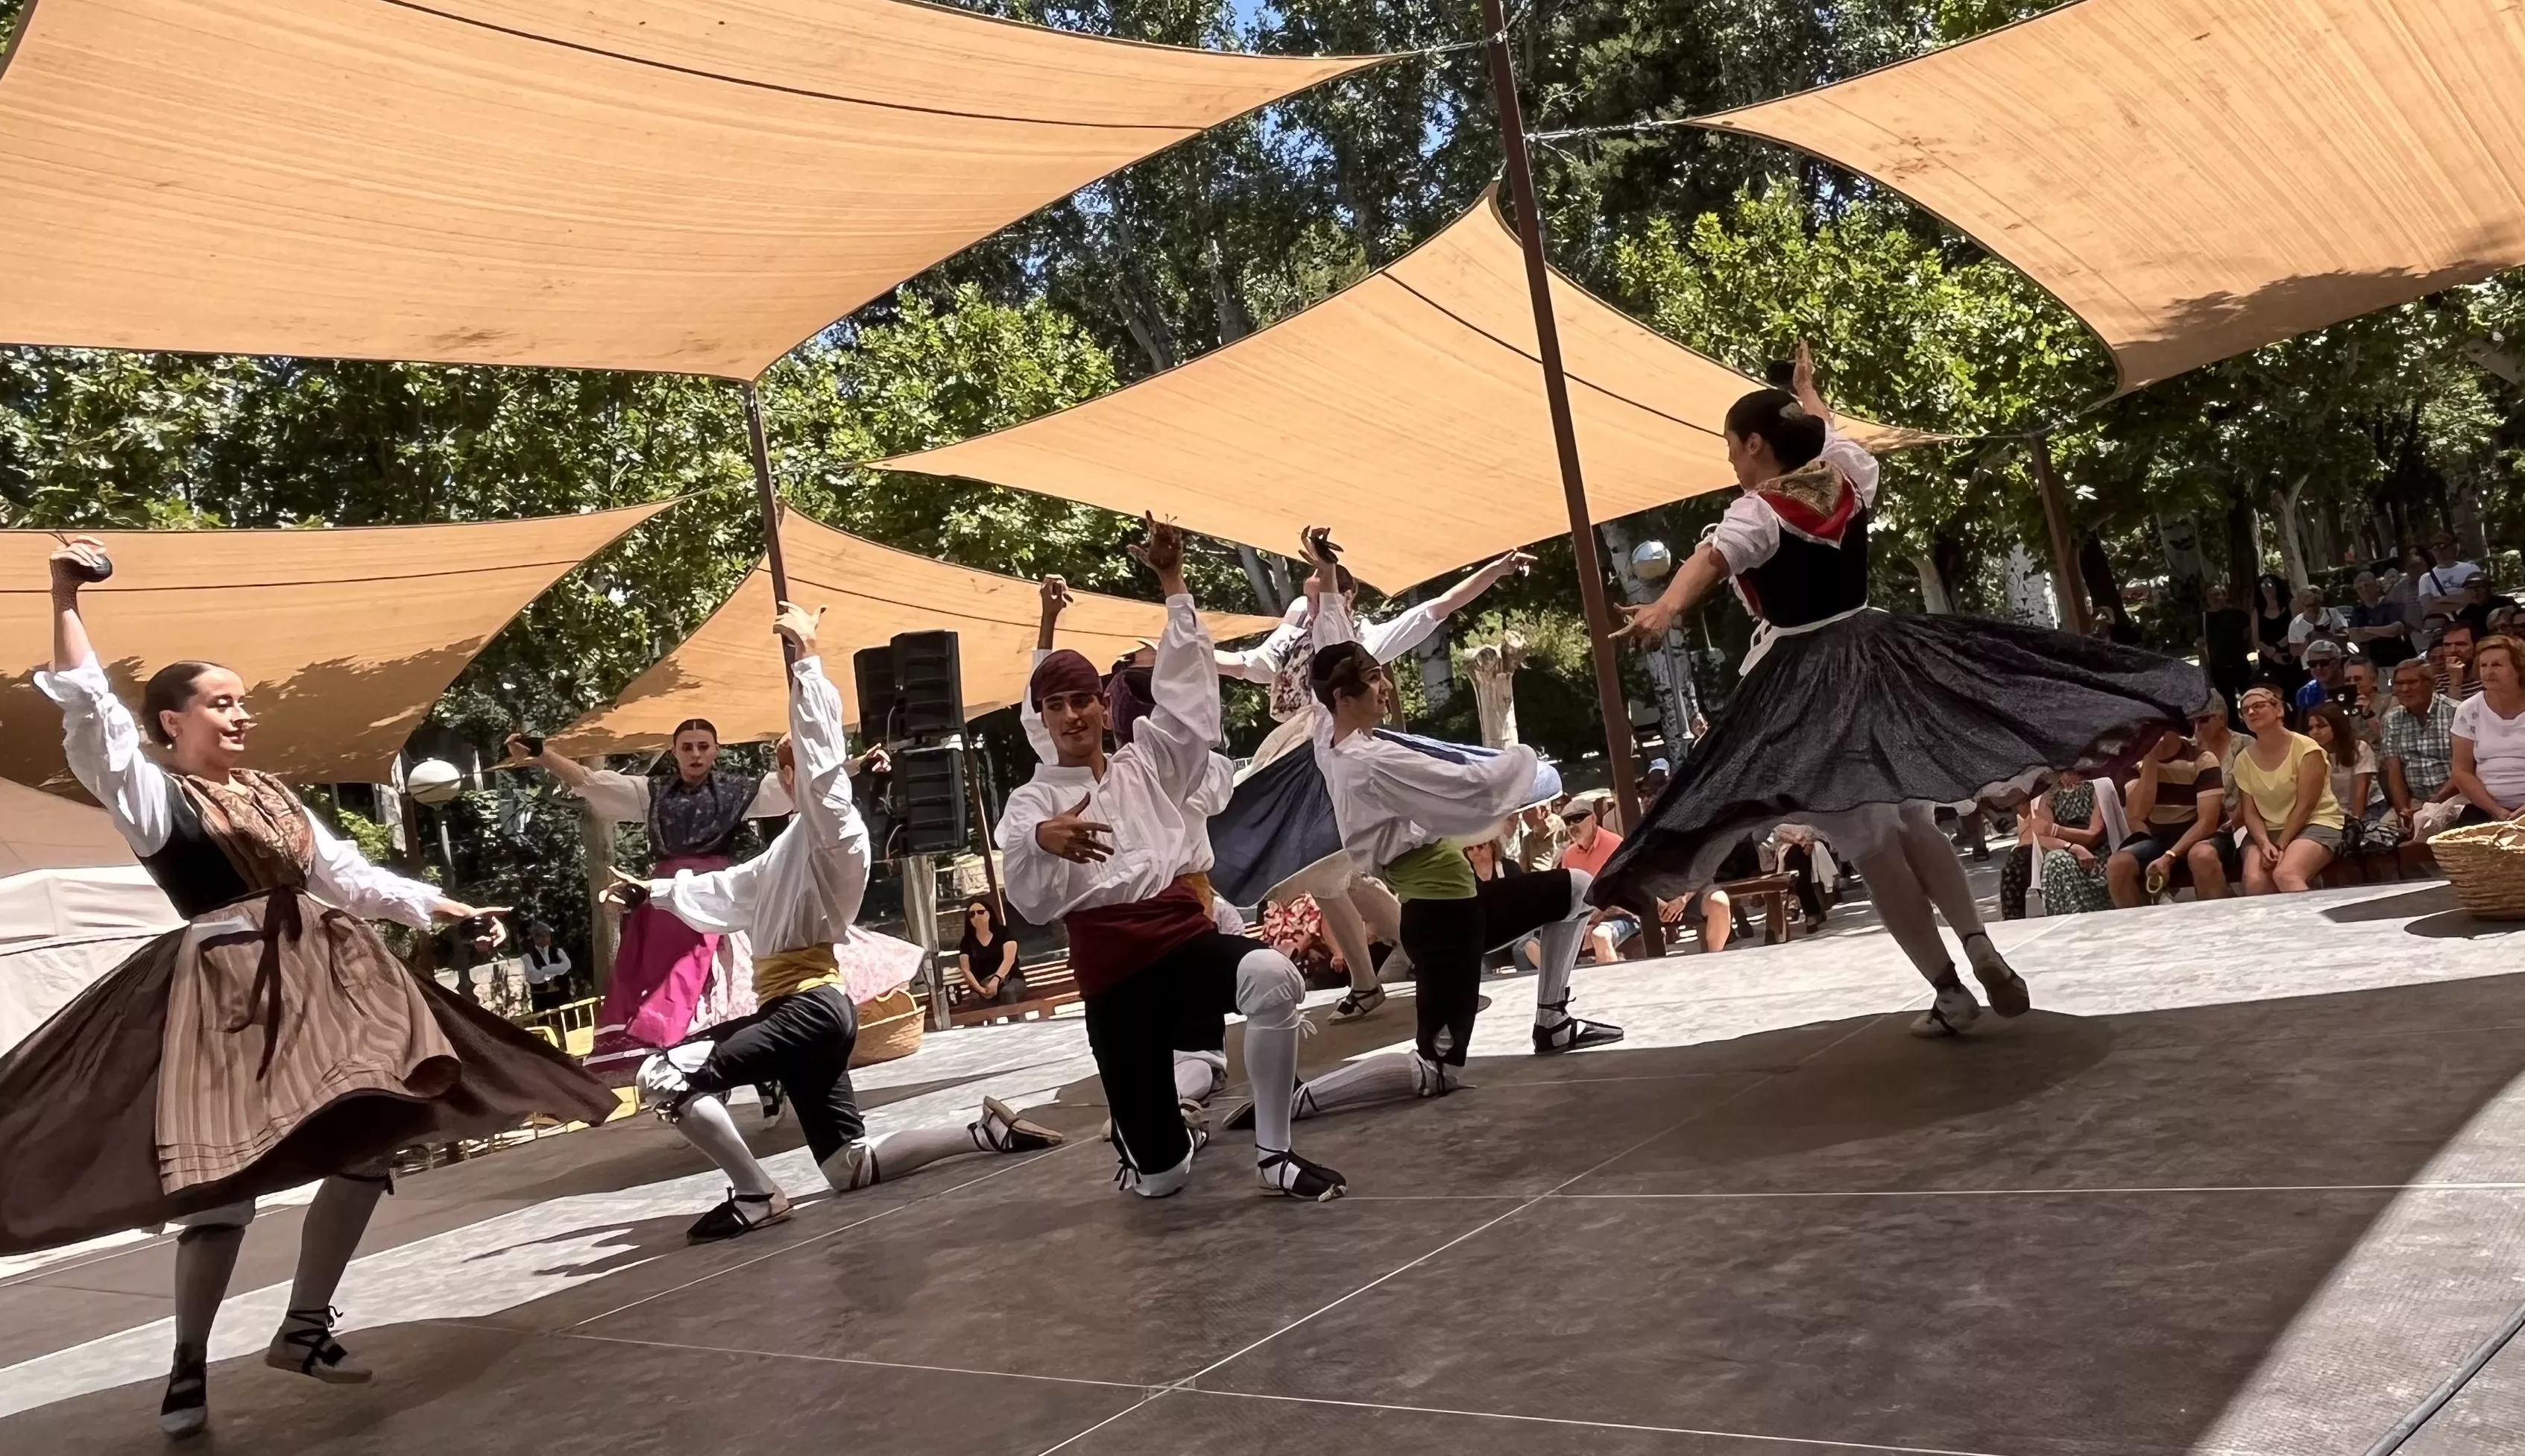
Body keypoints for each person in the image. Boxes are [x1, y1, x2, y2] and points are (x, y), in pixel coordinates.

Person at [0, 538, 615, 1440]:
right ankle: (187, 1362)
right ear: (171, 721)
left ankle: (303, 1325)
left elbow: (348, 879)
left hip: (324, 980)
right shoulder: (152, 796)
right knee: (224, 1191)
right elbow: (92, 716)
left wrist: (442, 905)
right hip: (227, 997)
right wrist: (65, 598)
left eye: (241, 701)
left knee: (375, 1131)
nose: (240, 714)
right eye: (221, 702)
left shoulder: (276, 796)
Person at [1603, 344, 2202, 1036]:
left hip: (1808, 682)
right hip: (1880, 658)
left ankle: (1949, 991)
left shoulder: (1755, 513)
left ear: (1757, 444)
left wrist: (1664, 607)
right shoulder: (1847, 474)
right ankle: (1979, 944)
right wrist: (1808, 390)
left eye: (1732, 446)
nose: (1731, 459)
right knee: (1912, 820)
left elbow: (1710, 560)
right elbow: (1829, 432)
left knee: (1870, 843)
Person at [616, 601, 1061, 1241]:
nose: (797, 772)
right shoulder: (787, 847)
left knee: (663, 1075)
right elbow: (726, 889)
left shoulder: (836, 830)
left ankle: (756, 1194)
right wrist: (651, 895)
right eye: (787, 765)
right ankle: (980, 1131)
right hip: (807, 1012)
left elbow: (824, 769)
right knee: (848, 1165)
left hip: (807, 1007)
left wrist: (808, 660)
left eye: (799, 762)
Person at [1000, 514, 1345, 1201]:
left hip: (1180, 940)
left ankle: (1274, 1153)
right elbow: (1028, 895)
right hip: (1114, 977)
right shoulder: (1031, 802)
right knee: (1161, 1179)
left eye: (1082, 700)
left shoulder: (1148, 762)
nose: (1071, 714)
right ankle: (1160, 1145)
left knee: (1273, 976)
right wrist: (1041, 839)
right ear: (1042, 717)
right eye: (1055, 705)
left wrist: (1172, 581)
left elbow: (1188, 706)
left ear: (1103, 704)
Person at [1299, 529, 1621, 1071]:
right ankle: (1301, 1099)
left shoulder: (1328, 733)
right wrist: (1525, 763)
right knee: (1437, 1067)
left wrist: (1328, 582)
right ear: (1343, 697)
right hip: (1442, 919)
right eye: (1375, 679)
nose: (1386, 686)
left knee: (1576, 888)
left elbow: (1329, 650)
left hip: (1459, 904)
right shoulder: (1370, 759)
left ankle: (1553, 1021)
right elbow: (1474, 790)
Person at [1209, 546, 1536, 1024]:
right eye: (1310, 592)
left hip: (1335, 771)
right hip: (1308, 761)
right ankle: (1383, 974)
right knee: (1330, 881)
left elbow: (1437, 608)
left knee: (1349, 874)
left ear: (1347, 596)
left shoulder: (1361, 644)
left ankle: (1429, 957)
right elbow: (1247, 663)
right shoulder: (1301, 637)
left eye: (1322, 591)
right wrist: (1183, 649)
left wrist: (1496, 569)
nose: (1312, 600)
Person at [508, 719, 799, 1084]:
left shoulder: (739, 791)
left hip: (717, 895)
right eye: (687, 747)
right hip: (663, 904)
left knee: (725, 982)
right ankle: (685, 1071)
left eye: (703, 746)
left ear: (716, 751)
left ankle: (753, 1069)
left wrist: (856, 767)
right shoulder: (654, 792)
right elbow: (590, 781)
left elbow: (797, 784)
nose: (696, 754)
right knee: (663, 986)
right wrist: (542, 754)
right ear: (674, 751)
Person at [2231, 684, 2345, 894]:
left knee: (2286, 874)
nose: (2251, 712)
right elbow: (2250, 812)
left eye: (2259, 706)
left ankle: (2315, 916)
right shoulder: (2243, 759)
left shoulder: (2306, 748)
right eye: (2245, 710)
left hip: (2314, 822)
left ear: (2279, 710)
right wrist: (2264, 844)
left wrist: (2281, 844)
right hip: (2267, 830)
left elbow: (2306, 805)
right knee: (2255, 881)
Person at [2106, 731, 2234, 906]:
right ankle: (2140, 921)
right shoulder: (2133, 764)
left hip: (2200, 836)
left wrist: (2170, 856)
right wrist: (2150, 761)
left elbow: (2207, 823)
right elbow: (2137, 814)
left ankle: (2217, 916)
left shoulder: (2201, 759)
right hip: (2160, 837)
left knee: (2202, 856)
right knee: (2118, 865)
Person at [2381, 658, 2466, 839]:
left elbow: (2465, 770)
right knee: (2379, 837)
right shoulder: (2391, 720)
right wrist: (2404, 810)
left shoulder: (2456, 712)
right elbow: (2394, 773)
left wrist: (2430, 807)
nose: (2405, 689)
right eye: (2399, 684)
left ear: (2431, 684)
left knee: (2429, 830)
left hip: (2456, 796)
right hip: (2415, 801)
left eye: (2412, 682)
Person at [2450, 634, 2525, 823]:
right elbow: (2461, 771)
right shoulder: (2468, 709)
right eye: (2484, 665)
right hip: (2486, 808)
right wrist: (2497, 811)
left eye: (2497, 665)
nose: (2489, 672)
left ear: (2519, 669)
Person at [1557, 795, 1639, 962]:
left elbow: (1628, 894)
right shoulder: (1569, 855)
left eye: (1578, 819)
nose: (1572, 826)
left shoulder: (1615, 845)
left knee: (1600, 936)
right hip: (1588, 918)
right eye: (1567, 821)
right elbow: (1571, 897)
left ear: (1593, 818)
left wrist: (1595, 917)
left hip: (1626, 915)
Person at [956, 896, 1027, 1006]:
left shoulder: (1003, 933)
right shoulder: (967, 941)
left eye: (981, 912)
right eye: (972, 914)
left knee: (1007, 993)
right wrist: (980, 989)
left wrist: (996, 980)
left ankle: (1014, 1017)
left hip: (1010, 980)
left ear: (990, 914)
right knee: (975, 999)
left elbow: (1009, 960)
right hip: (983, 984)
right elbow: (966, 970)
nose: (976, 916)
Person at [2201, 583, 2254, 713]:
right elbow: (2201, 643)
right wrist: (2205, 667)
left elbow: (2249, 633)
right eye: (2210, 595)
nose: (2214, 598)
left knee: (2249, 697)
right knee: (2227, 704)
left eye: (2217, 594)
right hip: (2218, 668)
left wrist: (2245, 650)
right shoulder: (2203, 617)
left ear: (2225, 596)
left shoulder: (2238, 614)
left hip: (2240, 665)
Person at [2346, 571, 2414, 669]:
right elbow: (2354, 635)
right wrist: (2383, 632)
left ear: (2376, 586)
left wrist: (2365, 630)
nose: (2364, 590)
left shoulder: (2391, 606)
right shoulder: (2358, 612)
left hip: (2397, 659)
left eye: (2367, 585)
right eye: (2359, 588)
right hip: (2371, 663)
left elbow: (2395, 629)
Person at [2251, 573, 2301, 696]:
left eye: (2270, 585)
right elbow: (2256, 640)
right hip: (2269, 660)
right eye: (2263, 586)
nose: (2266, 589)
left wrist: (2276, 648)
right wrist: (2271, 653)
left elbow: (2296, 631)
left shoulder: (2291, 604)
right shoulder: (2258, 610)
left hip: (2292, 657)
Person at [523, 921, 575, 1012]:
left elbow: (567, 966)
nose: (546, 938)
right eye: (542, 936)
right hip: (542, 1001)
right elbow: (532, 976)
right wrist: (555, 971)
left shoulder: (558, 951)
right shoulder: (527, 956)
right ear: (535, 938)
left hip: (563, 998)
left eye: (548, 935)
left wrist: (545, 971)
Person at [2285, 587, 2348, 659]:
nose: (2313, 608)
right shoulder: (2296, 623)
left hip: (2335, 659)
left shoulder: (2332, 614)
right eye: (2309, 605)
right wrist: (2309, 641)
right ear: (2302, 606)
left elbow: (2346, 635)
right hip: (2312, 663)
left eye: (2315, 604)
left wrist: (2329, 636)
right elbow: (2294, 651)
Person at [2292, 639, 2350, 713]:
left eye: (2324, 663)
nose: (2318, 668)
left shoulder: (2354, 683)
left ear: (2337, 662)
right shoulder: (2306, 693)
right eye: (2313, 664)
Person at [2342, 655, 2386, 746]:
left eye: (2358, 679)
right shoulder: (2344, 707)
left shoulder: (2390, 703)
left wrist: (2369, 715)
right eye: (2348, 680)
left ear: (2374, 681)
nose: (2352, 683)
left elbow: (2389, 737)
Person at [2433, 620, 2481, 702]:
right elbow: (2452, 710)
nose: (2453, 650)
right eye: (2447, 645)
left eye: (2461, 644)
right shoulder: (2438, 682)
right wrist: (2455, 683)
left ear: (2475, 646)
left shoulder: (2488, 676)